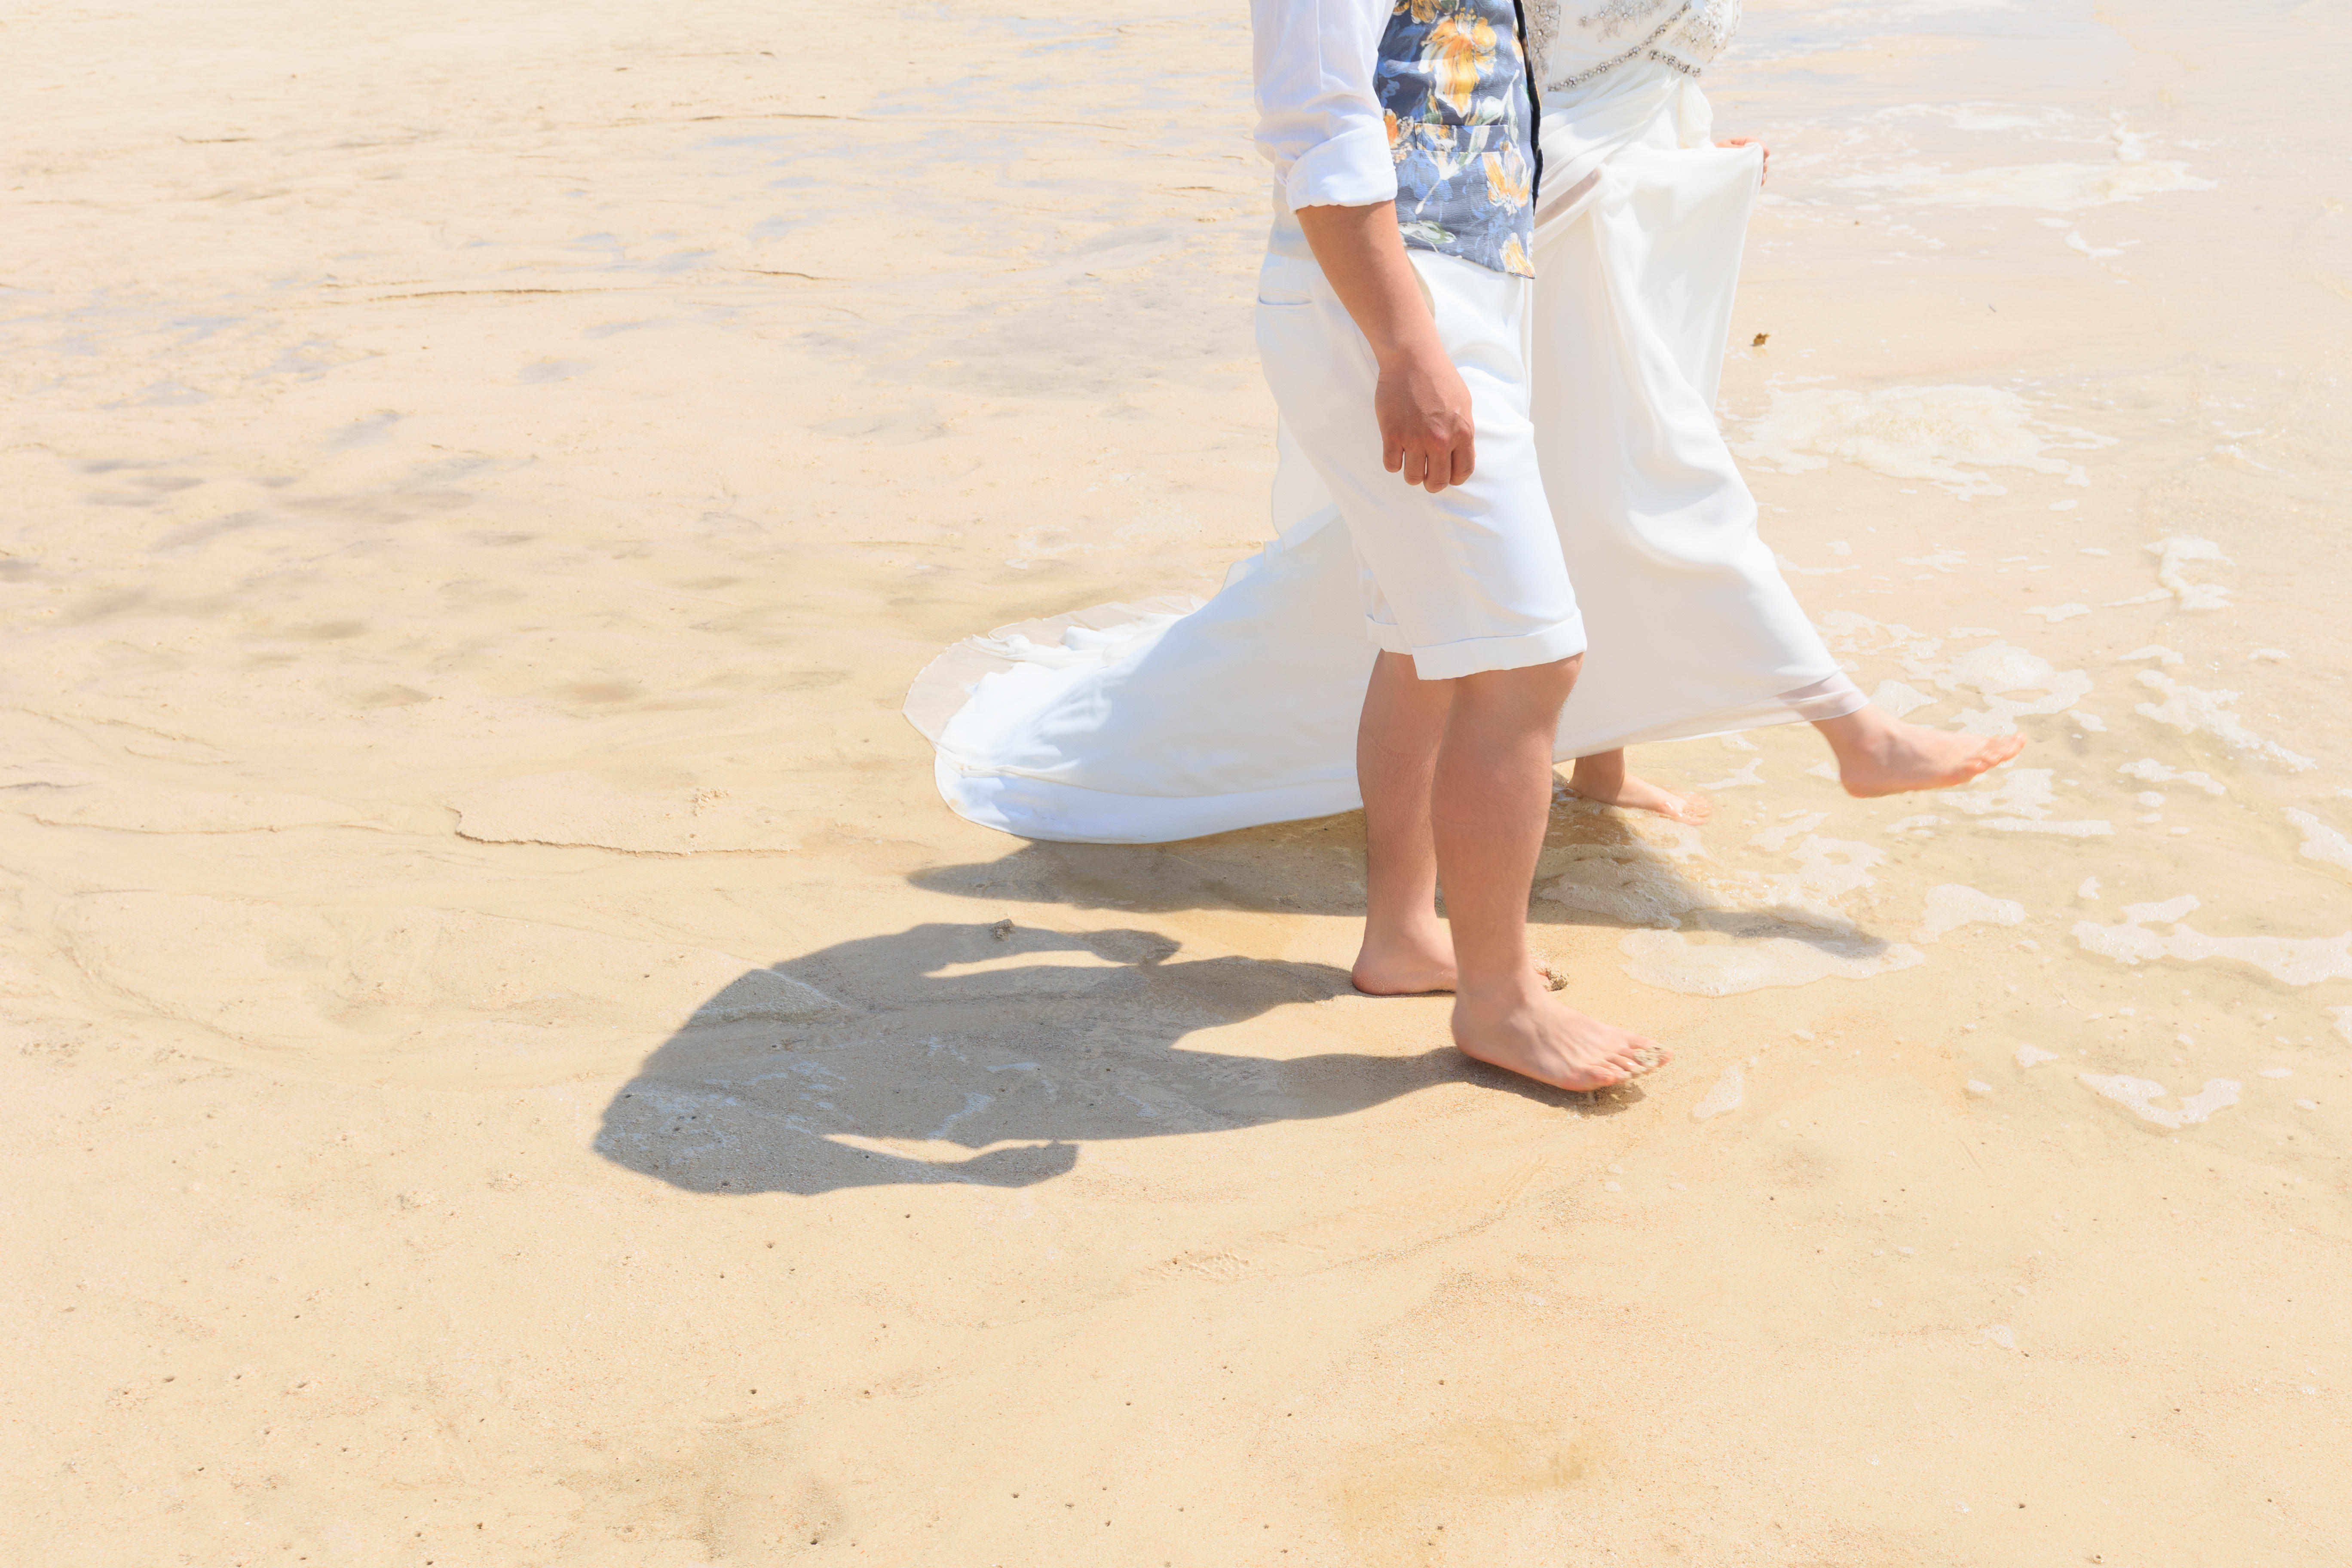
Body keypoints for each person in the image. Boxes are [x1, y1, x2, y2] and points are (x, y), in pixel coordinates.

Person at [902, 0, 2018, 1091]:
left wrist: (1675, 171)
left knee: (1424, 641)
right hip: (1399, 309)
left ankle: (1403, 937)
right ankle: (1501, 1003)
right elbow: (1316, 123)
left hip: (1461, 293)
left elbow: (1512, 89)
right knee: (1526, 661)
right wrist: (1406, 348)